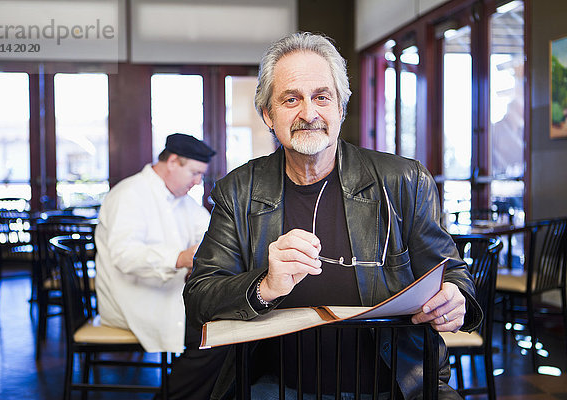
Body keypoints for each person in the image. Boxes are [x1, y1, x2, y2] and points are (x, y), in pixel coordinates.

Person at [183, 32, 483, 400]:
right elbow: (199, 298)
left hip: (395, 385)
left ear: (340, 108)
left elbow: (450, 271)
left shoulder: (403, 181)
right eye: (291, 99)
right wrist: (265, 287)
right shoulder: (238, 190)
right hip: (275, 387)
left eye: (322, 97)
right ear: (268, 114)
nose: (308, 113)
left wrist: (456, 296)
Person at [95, 133, 226, 400]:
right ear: (173, 162)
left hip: (164, 293)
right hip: (132, 300)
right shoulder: (129, 194)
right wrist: (180, 258)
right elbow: (124, 255)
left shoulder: (179, 199)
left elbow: (210, 234)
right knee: (216, 337)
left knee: (226, 329)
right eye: (194, 173)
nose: (198, 181)